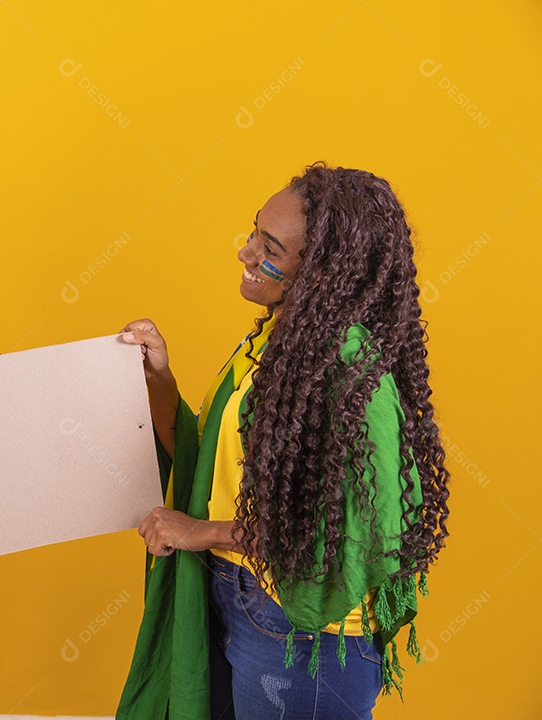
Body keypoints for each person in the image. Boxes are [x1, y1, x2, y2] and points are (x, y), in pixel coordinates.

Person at [116, 164, 450, 720]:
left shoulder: (348, 369)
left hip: (303, 634)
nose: (245, 254)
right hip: (240, 592)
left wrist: (201, 532)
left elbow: (345, 533)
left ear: (320, 272)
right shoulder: (277, 338)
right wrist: (158, 380)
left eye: (268, 246)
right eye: (253, 234)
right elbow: (219, 465)